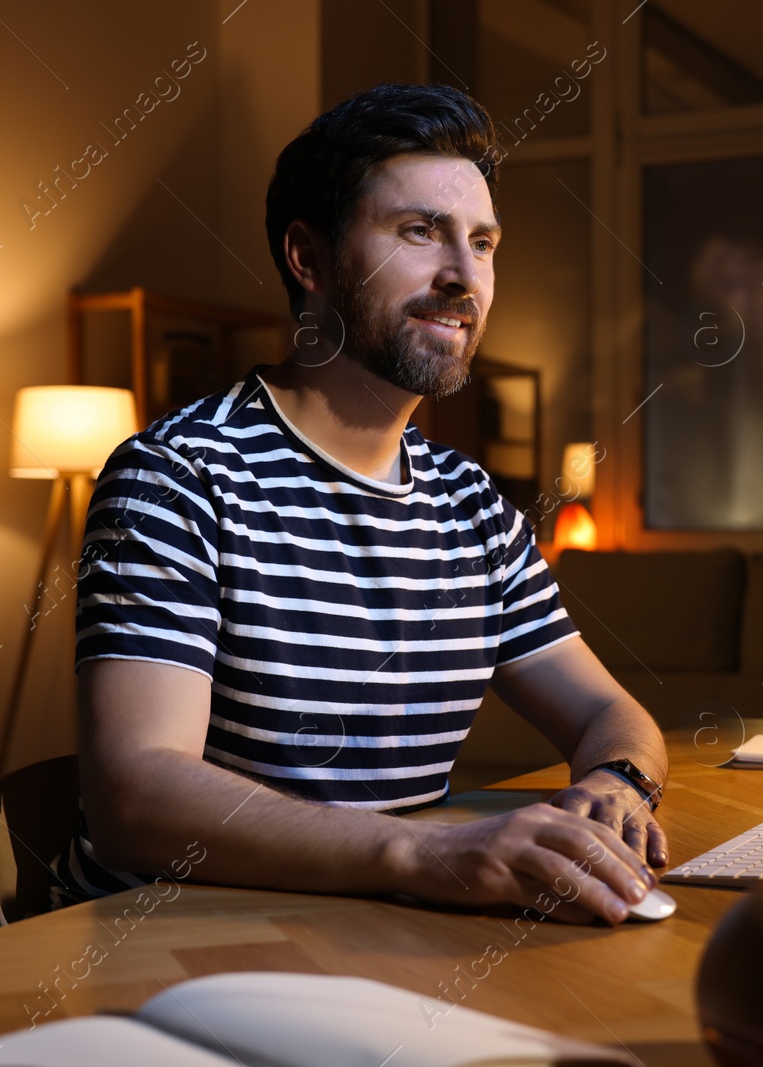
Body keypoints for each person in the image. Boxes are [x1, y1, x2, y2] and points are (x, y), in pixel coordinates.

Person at [46, 84, 670, 926]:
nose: (463, 276)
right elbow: (135, 796)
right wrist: (423, 852)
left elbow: (611, 713)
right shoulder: (177, 476)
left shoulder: (472, 506)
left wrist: (613, 782)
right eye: (421, 232)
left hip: (381, 938)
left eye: (482, 243)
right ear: (309, 258)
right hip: (171, 954)